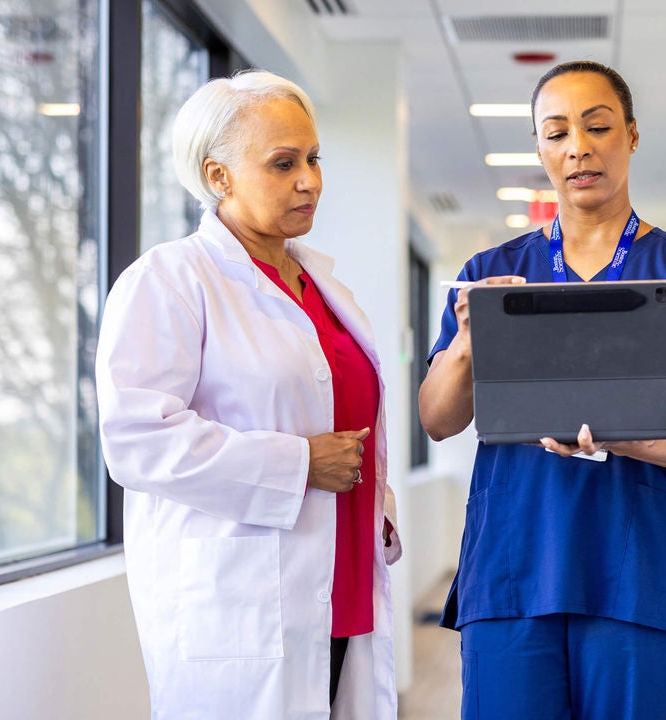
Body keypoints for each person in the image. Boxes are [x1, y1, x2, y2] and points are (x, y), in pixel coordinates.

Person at [418, 60, 666, 720]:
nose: (578, 145)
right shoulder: (491, 276)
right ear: (540, 149)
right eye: (556, 132)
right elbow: (436, 419)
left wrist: (616, 432)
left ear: (631, 135)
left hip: (640, 573)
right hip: (515, 567)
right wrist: (467, 338)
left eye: (597, 125)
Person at [95, 70, 402, 720]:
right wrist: (298, 464)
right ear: (218, 176)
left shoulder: (324, 287)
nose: (310, 180)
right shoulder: (171, 280)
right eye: (283, 163)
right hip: (241, 601)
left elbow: (345, 420)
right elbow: (137, 441)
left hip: (339, 587)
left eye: (315, 158)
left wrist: (379, 503)